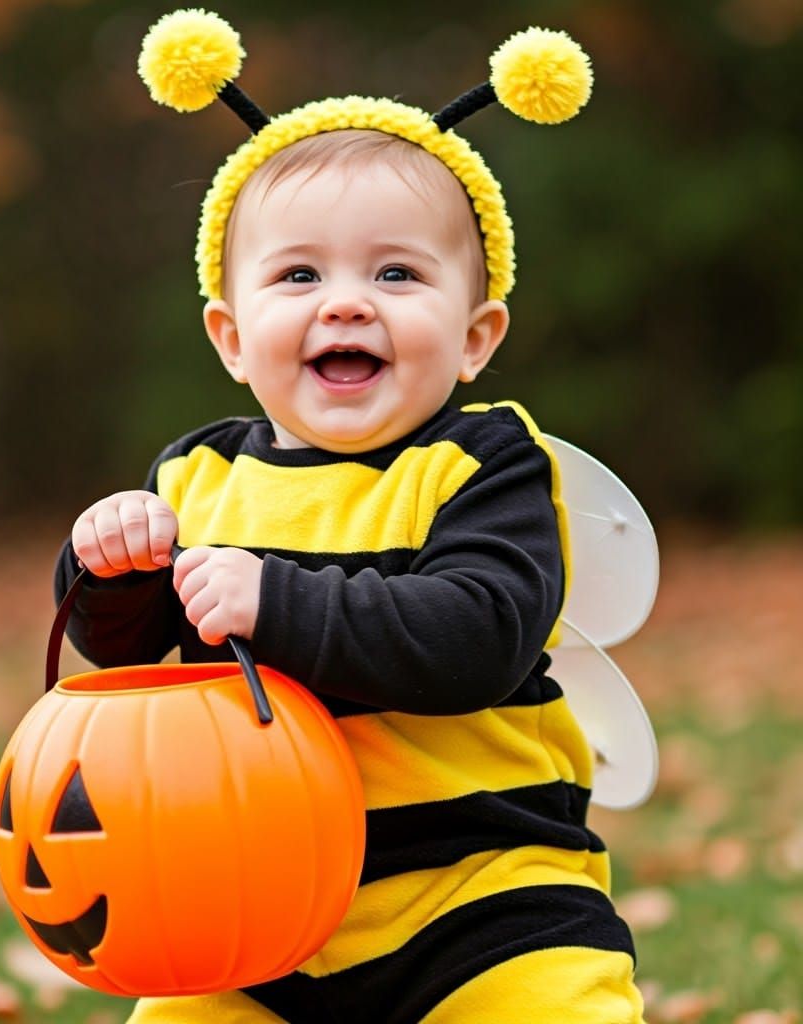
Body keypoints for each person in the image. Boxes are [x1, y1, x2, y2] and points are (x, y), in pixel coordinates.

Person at [54, 11, 646, 1022]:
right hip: (247, 909)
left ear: (474, 337)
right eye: (299, 274)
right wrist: (105, 569)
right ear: (231, 337)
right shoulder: (196, 477)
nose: (345, 303)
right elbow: (130, 657)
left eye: (396, 273)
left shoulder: (485, 464)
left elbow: (480, 635)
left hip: (481, 896)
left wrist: (276, 601)